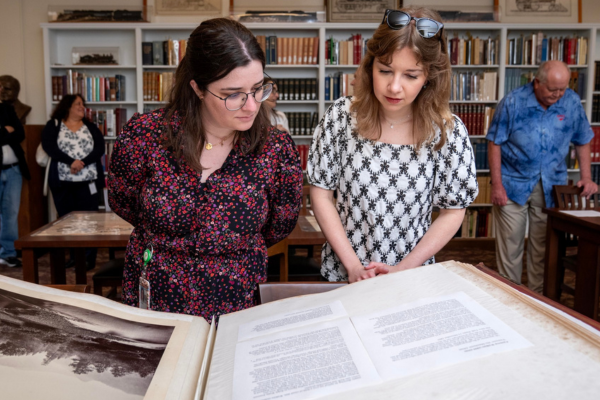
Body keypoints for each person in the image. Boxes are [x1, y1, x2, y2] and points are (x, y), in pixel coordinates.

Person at [108, 18, 303, 321]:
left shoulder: (275, 150)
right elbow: (123, 201)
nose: (252, 106)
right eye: (234, 94)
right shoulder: (144, 136)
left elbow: (279, 225)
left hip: (236, 300)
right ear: (198, 88)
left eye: (258, 89)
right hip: (157, 296)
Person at [307, 7, 478, 283]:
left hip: (411, 279)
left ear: (429, 78)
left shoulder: (448, 131)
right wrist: (352, 266)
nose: (394, 87)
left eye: (411, 75)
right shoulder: (341, 117)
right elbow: (322, 194)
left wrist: (404, 268)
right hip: (342, 275)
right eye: (385, 70)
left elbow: (453, 211)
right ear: (370, 66)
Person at [487, 60, 598, 293]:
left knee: (542, 247)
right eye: (552, 89)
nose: (557, 94)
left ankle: (536, 299)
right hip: (511, 184)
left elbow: (583, 139)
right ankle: (511, 297)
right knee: (511, 245)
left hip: (551, 186)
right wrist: (496, 184)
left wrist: (587, 177)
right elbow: (494, 143)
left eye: (562, 89)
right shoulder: (513, 101)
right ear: (537, 82)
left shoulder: (571, 102)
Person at [41, 94, 105, 270]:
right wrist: (71, 162)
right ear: (67, 106)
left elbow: (100, 148)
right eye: (77, 104)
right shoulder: (53, 125)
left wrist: (81, 163)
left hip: (88, 181)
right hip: (63, 182)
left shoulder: (91, 127)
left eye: (83, 104)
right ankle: (73, 257)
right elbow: (49, 147)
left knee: (89, 221)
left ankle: (88, 259)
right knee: (67, 222)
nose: (81, 107)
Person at [0, 86, 30, 267]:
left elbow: (20, 133)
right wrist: (5, 131)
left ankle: (9, 253)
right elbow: (11, 133)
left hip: (14, 170)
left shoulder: (6, 108)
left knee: (11, 213)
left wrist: (5, 131)